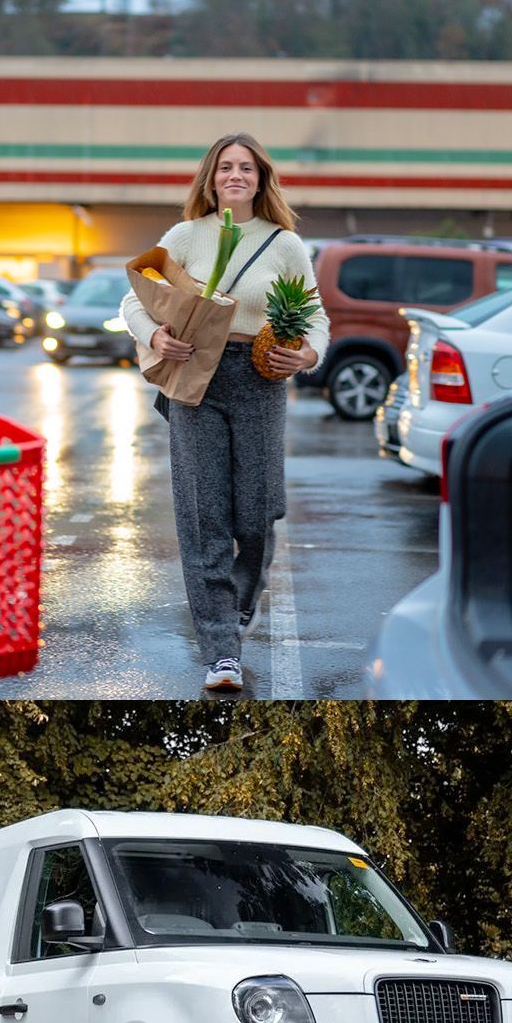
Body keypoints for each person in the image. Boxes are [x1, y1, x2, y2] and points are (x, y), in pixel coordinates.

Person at [121, 132, 329, 692]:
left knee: (256, 512)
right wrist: (155, 337)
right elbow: (133, 298)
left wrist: (308, 354)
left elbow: (315, 318)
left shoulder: (285, 244)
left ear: (261, 179)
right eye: (225, 167)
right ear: (210, 178)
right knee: (203, 514)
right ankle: (221, 649)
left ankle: (237, 603)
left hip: (260, 376)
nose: (235, 175)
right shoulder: (186, 236)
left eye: (246, 168)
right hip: (197, 378)